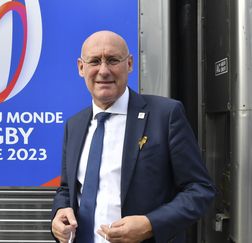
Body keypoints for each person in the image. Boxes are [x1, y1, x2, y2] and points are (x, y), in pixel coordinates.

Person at [51, 30, 215, 243]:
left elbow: (200, 189)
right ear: (81, 68)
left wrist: (150, 224)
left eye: (112, 60)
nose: (103, 71)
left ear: (129, 64)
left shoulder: (165, 115)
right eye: (94, 61)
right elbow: (67, 189)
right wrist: (60, 212)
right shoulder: (74, 125)